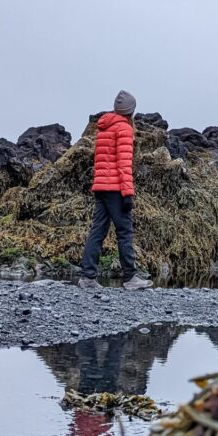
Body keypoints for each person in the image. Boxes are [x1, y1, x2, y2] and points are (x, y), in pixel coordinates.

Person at [79, 90, 152, 291]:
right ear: (131, 111)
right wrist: (128, 193)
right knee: (125, 231)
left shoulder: (103, 127)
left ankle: (87, 277)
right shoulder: (124, 129)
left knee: (98, 231)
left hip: (101, 186)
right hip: (115, 188)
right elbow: (123, 164)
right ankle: (130, 278)